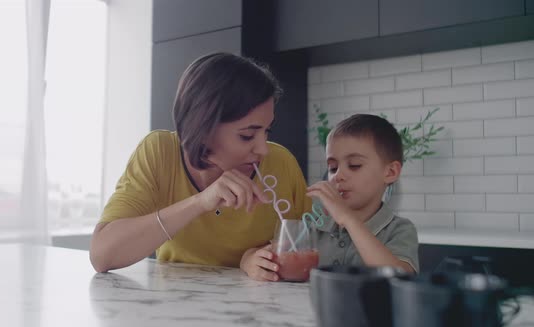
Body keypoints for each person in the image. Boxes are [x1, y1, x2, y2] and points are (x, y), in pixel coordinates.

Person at [90, 52, 311, 281]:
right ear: (203, 128)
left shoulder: (281, 163)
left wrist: (260, 257)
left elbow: (309, 249)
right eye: (247, 136)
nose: (263, 149)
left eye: (267, 131)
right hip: (176, 308)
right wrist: (201, 202)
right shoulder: (159, 152)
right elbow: (102, 256)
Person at [306, 114, 419, 273]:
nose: (338, 175)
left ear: (390, 172)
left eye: (354, 165)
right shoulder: (314, 221)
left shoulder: (400, 230)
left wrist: (348, 219)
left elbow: (399, 278)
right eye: (332, 167)